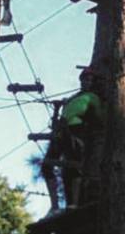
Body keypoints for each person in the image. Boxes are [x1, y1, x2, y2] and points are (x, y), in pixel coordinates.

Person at [42, 67, 105, 216]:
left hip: (77, 130)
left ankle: (72, 204)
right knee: (47, 165)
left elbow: (100, 118)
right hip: (61, 132)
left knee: (72, 167)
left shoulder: (92, 98)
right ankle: (54, 205)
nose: (86, 82)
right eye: (84, 79)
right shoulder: (72, 98)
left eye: (90, 80)